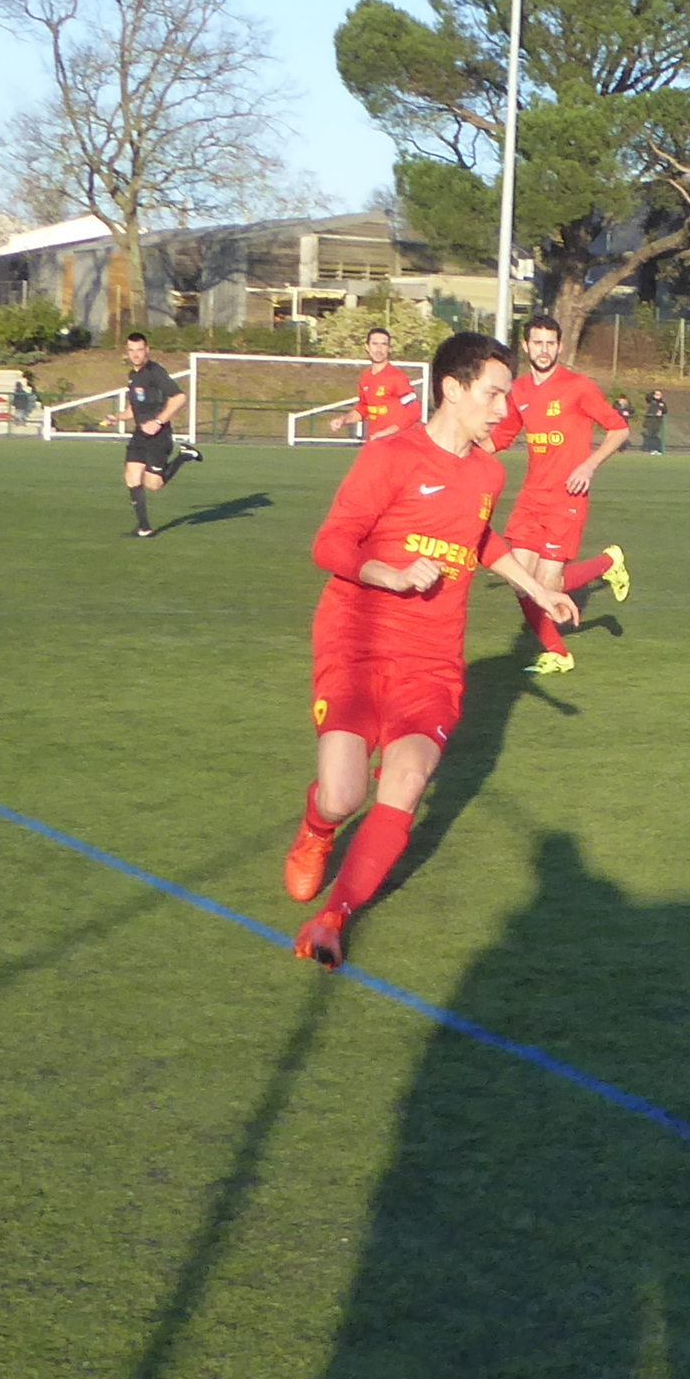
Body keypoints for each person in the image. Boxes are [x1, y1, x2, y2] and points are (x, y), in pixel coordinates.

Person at [283, 333, 582, 970]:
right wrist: (388, 575)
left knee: (409, 779)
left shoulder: (489, 471)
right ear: (452, 388)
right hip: (358, 642)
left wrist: (537, 590)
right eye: (494, 394)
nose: (504, 410)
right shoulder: (390, 457)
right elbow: (330, 544)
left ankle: (334, 917)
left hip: (433, 657)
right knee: (342, 795)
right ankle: (317, 829)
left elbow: (477, 536)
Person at [487, 315, 632, 676]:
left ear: (560, 346)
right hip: (531, 498)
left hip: (566, 497)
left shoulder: (578, 387)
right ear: (526, 346)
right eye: (537, 342)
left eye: (550, 343)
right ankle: (559, 654)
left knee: (547, 584)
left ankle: (608, 563)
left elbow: (619, 429)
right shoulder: (519, 390)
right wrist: (461, 451)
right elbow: (502, 437)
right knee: (520, 580)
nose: (544, 349)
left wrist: (589, 466)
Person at [104, 332, 201, 538]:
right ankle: (144, 528)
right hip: (140, 434)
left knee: (154, 485)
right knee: (132, 476)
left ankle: (184, 456)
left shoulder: (155, 372)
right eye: (131, 350)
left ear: (147, 350)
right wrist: (117, 417)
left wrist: (158, 422)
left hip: (159, 435)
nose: (135, 354)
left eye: (139, 350)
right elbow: (135, 409)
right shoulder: (133, 376)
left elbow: (179, 397)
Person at [328, 326, 420, 441]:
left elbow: (415, 411)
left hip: (395, 441)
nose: (379, 349)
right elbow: (363, 409)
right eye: (375, 344)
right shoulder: (365, 378)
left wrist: (389, 431)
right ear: (367, 347)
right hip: (375, 440)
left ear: (389, 348)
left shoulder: (397, 377)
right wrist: (343, 420)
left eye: (384, 344)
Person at [643, 389, 668, 455]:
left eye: (659, 395)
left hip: (657, 421)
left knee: (655, 435)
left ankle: (655, 449)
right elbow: (648, 399)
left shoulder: (662, 403)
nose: (658, 396)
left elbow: (665, 410)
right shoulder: (651, 402)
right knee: (650, 435)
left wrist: (661, 411)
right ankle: (649, 449)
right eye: (657, 394)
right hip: (650, 421)